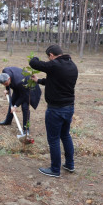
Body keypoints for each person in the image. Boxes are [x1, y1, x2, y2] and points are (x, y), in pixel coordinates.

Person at [29, 45, 78, 178]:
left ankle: (55, 169)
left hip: (56, 109)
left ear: (51, 55)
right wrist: (38, 80)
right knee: (65, 135)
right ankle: (70, 164)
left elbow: (33, 63)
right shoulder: (72, 65)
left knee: (54, 139)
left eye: (48, 57)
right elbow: (55, 81)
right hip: (69, 107)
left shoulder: (55, 64)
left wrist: (34, 57)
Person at [0, 67, 41, 135]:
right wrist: (7, 89)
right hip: (20, 88)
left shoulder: (19, 82)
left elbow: (24, 95)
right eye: (4, 84)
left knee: (25, 107)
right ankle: (8, 121)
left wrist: (15, 106)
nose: (5, 85)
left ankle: (26, 129)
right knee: (12, 102)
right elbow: (7, 83)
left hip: (29, 89)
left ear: (9, 79)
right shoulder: (5, 72)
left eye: (6, 84)